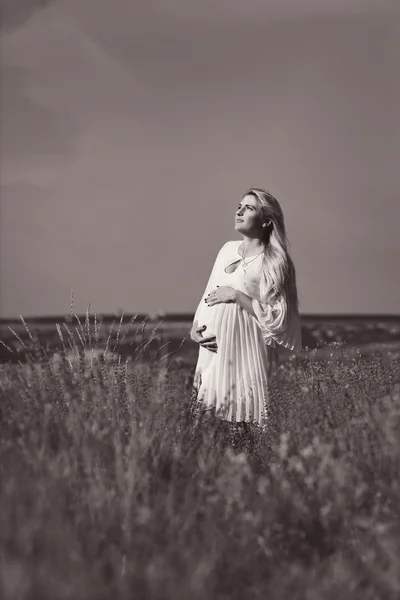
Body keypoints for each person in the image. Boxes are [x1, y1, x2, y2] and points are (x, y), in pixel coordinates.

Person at [190, 187, 301, 434]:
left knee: (245, 426)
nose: (239, 211)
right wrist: (194, 328)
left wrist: (237, 296)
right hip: (213, 350)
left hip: (247, 353)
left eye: (249, 208)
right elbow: (208, 291)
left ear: (266, 220)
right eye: (239, 206)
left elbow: (278, 319)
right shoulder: (227, 249)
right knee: (206, 426)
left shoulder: (275, 260)